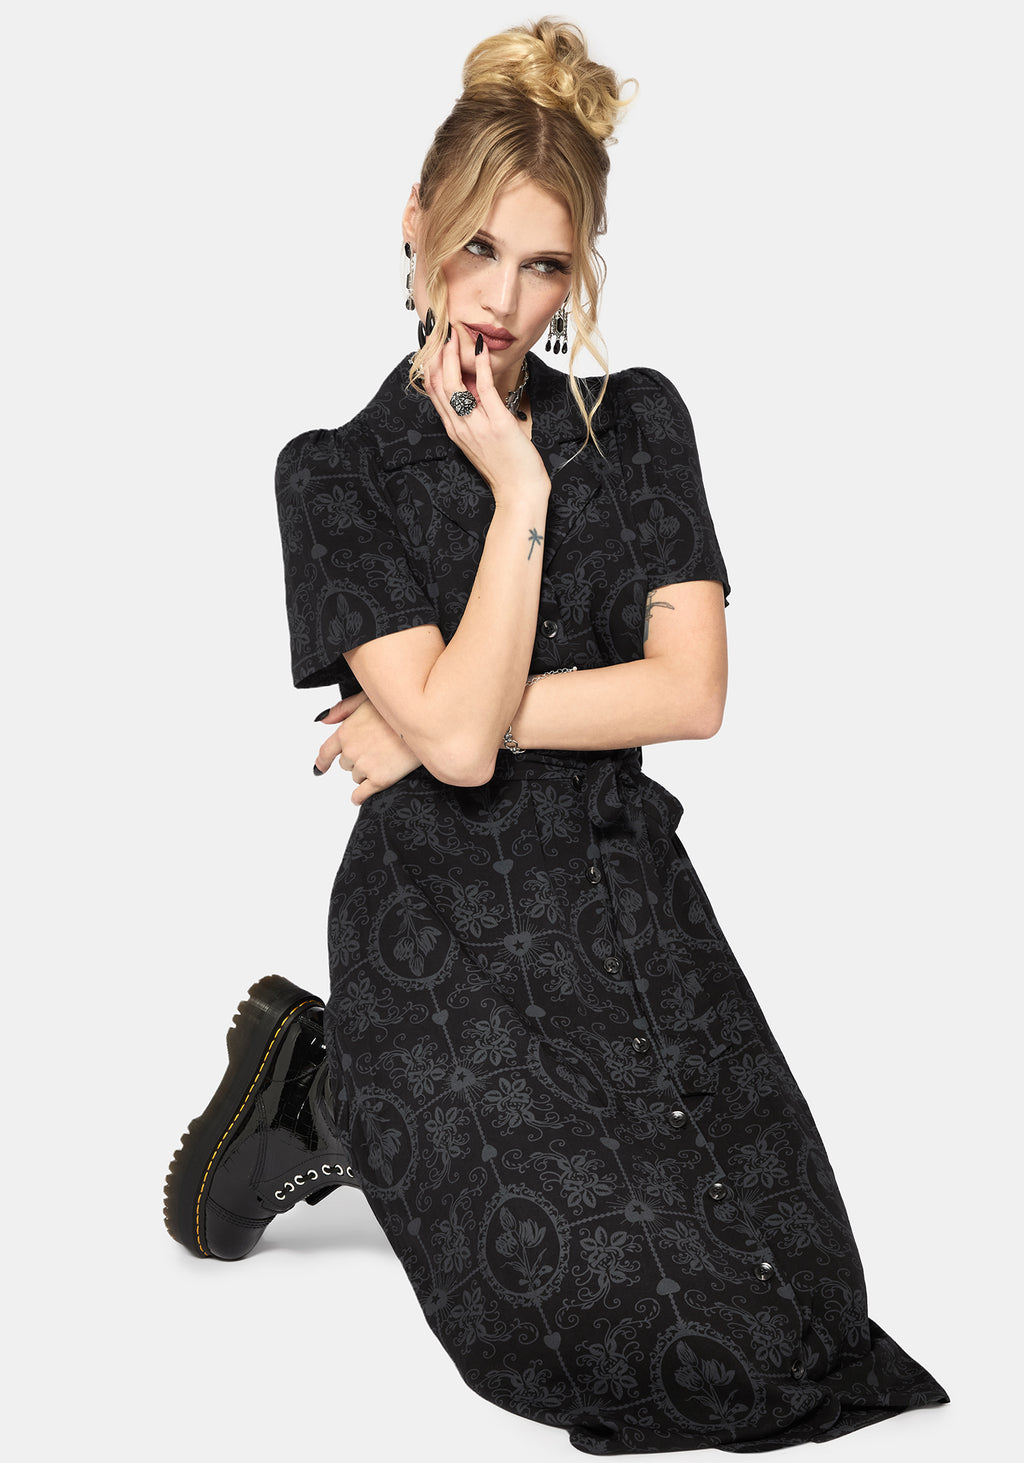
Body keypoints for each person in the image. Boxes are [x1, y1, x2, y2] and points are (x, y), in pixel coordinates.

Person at [164, 18, 948, 1454]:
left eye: (543, 264)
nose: (504, 299)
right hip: (441, 930)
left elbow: (689, 694)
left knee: (808, 1317)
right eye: (477, 248)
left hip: (623, 901)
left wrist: (428, 716)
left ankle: (335, 1087)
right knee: (630, 1339)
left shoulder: (637, 425)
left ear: (580, 268)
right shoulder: (332, 475)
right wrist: (516, 494)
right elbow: (462, 759)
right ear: (414, 222)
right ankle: (344, 1086)